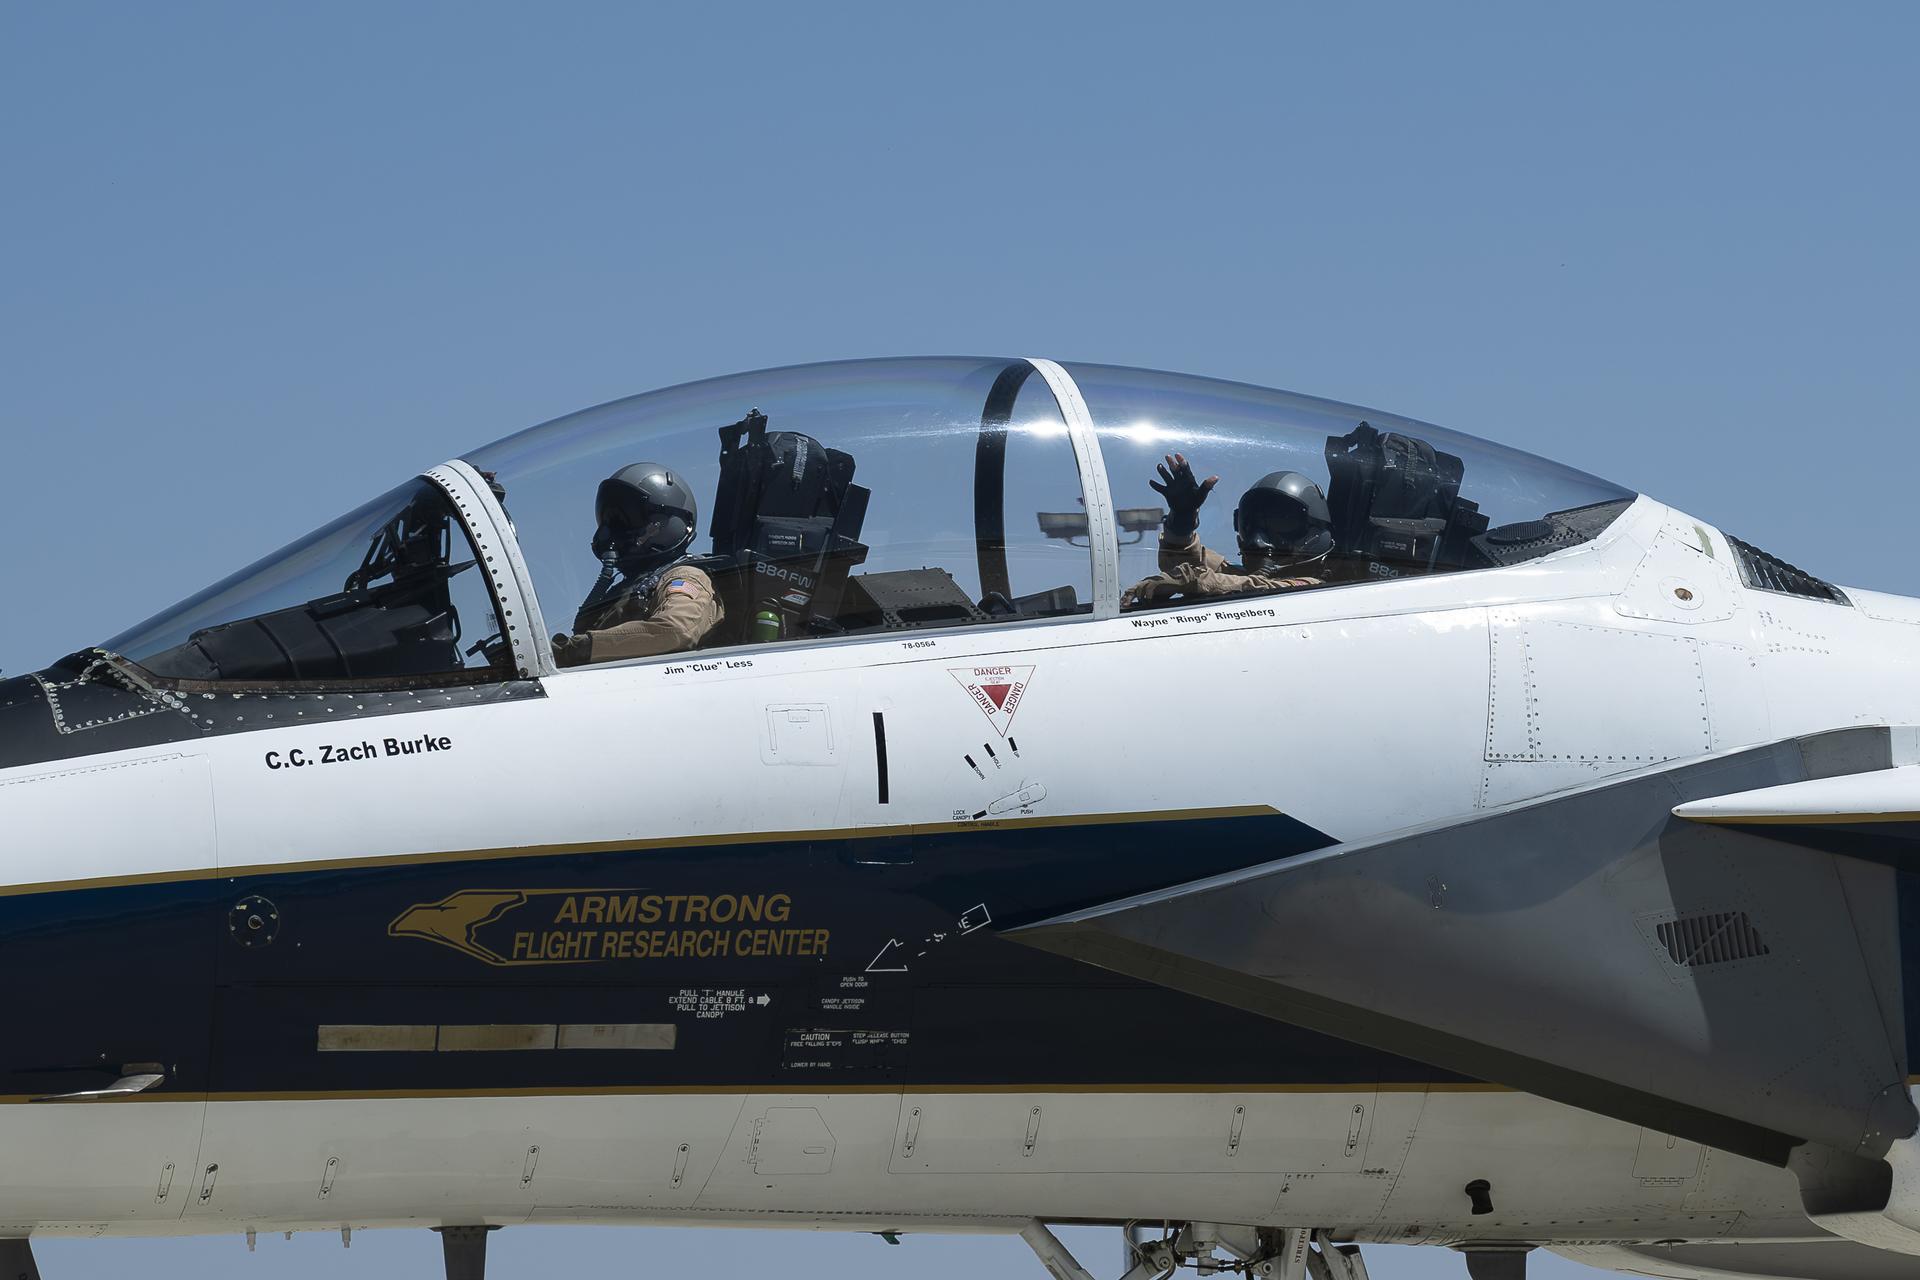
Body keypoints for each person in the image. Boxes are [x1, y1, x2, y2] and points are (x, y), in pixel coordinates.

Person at [552, 463, 723, 665]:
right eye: (611, 521)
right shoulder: (620, 592)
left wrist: (582, 648)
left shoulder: (684, 576)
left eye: (627, 520)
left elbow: (675, 630)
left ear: (665, 525)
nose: (612, 532)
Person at [1122, 453, 1335, 608]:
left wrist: (1192, 580)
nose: (1259, 538)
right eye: (1251, 524)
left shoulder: (1315, 591)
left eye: (1280, 523)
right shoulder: (1239, 579)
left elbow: (1261, 587)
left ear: (1314, 531)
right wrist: (1182, 518)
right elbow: (1186, 563)